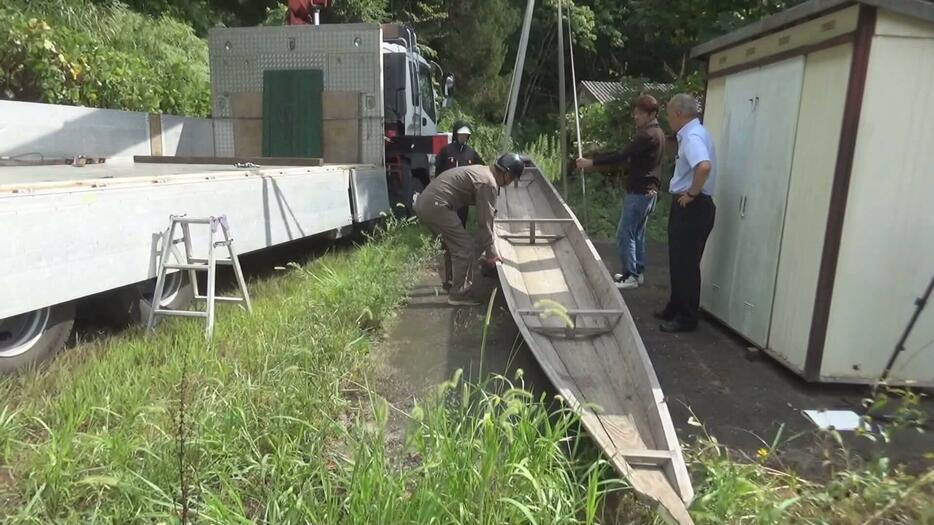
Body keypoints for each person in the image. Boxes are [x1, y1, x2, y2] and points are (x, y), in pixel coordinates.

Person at [576, 95, 665, 290]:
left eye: (640, 114)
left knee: (625, 233)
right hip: (650, 192)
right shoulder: (658, 133)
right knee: (637, 233)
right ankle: (637, 272)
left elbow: (622, 155)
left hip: (640, 192)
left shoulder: (647, 135)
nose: (636, 116)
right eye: (635, 113)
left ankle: (630, 275)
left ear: (652, 114)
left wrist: (592, 162)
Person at [416, 153, 524, 306]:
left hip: (427, 203)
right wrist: (492, 254)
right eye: (513, 178)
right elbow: (484, 221)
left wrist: (486, 248)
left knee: (452, 245)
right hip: (437, 206)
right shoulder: (489, 183)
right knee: (464, 247)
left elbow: (486, 216)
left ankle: (452, 283)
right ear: (507, 173)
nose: (511, 183)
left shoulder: (484, 172)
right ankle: (459, 295)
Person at [656, 93, 717, 333]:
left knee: (687, 263)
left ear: (679, 115)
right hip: (692, 205)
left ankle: (687, 316)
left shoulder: (692, 137)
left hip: (693, 205)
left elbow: (703, 166)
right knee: (678, 260)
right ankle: (675, 305)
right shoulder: (696, 133)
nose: (669, 121)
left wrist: (691, 193)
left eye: (670, 116)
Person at [435, 121, 485, 228]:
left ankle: (461, 239)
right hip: (448, 189)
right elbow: (438, 169)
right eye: (462, 134)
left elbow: (481, 169)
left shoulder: (471, 153)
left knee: (462, 218)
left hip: (464, 191)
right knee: (447, 216)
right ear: (456, 134)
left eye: (466, 135)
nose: (464, 137)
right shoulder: (446, 150)